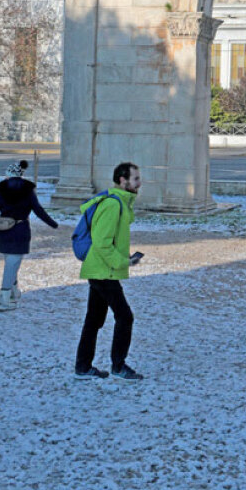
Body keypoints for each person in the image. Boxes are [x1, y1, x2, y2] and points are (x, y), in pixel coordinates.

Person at [74, 161, 144, 381]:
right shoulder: (113, 204)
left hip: (101, 269)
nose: (139, 183)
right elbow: (102, 243)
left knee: (94, 320)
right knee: (125, 316)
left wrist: (125, 259)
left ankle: (83, 367)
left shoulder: (120, 202)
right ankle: (118, 366)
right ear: (122, 180)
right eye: (135, 179)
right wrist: (124, 262)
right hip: (103, 270)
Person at [0, 160, 59, 311]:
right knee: (13, 263)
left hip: (3, 230)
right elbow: (38, 211)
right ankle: (4, 300)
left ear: (8, 175)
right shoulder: (28, 192)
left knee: (11, 262)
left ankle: (13, 293)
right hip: (21, 229)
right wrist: (53, 224)